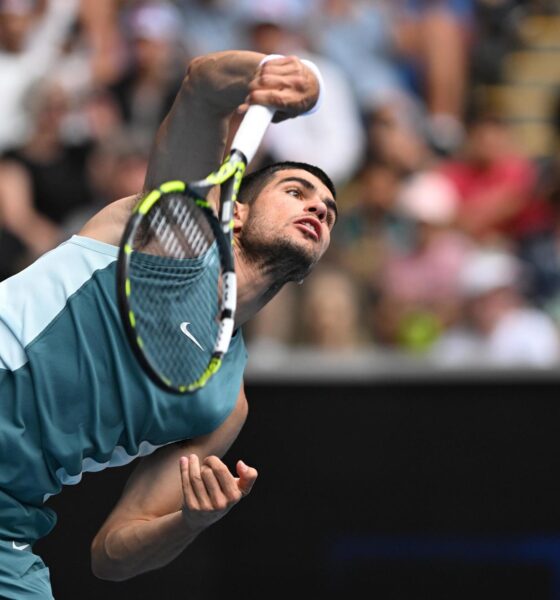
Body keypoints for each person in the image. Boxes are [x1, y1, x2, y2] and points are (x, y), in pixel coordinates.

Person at [0, 50, 336, 598]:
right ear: (236, 211)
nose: (319, 209)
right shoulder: (168, 238)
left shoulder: (226, 403)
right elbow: (202, 85)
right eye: (296, 191)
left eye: (328, 211)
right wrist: (269, 70)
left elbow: (112, 554)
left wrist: (190, 522)